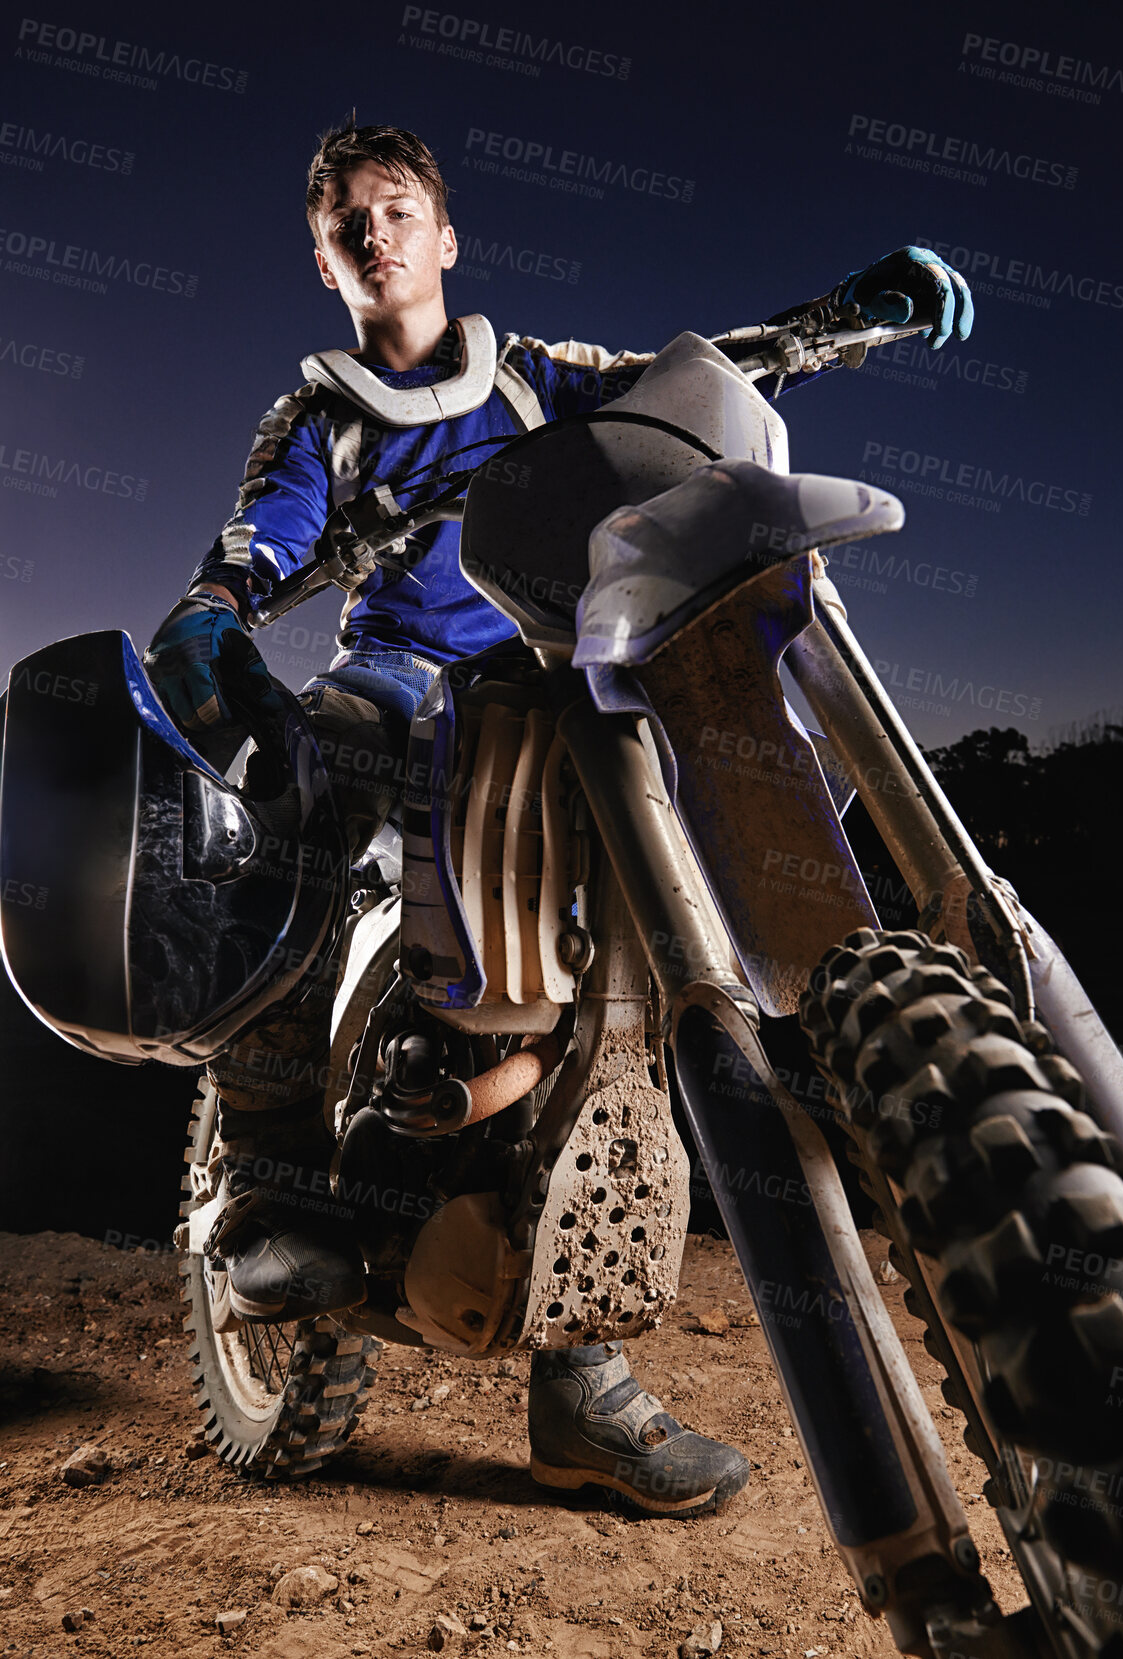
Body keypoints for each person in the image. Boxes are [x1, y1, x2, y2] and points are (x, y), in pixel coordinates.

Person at [144, 123, 973, 1518]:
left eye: (397, 208)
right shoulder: (320, 418)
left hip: (572, 661)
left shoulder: (534, 374)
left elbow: (687, 382)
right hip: (403, 677)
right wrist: (219, 606)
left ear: (445, 235)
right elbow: (262, 536)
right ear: (321, 256)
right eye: (345, 218)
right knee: (299, 787)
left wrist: (840, 322)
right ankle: (272, 1168)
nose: (374, 233)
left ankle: (581, 1392)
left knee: (632, 1000)